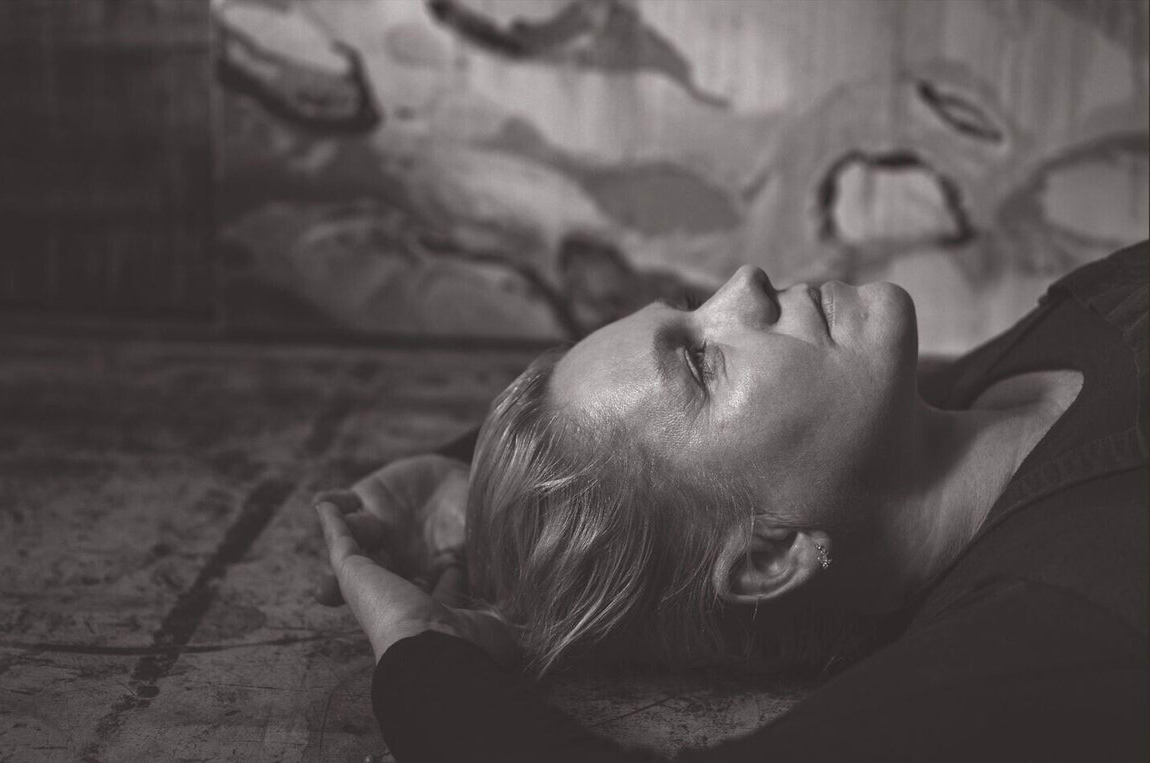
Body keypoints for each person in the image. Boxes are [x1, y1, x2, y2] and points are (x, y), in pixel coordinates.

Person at [313, 241, 1148, 762]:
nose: (744, 283)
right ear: (768, 556)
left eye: (690, 310)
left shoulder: (984, 393)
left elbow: (634, 446)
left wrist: (478, 474)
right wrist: (421, 651)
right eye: (702, 360)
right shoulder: (1065, 618)